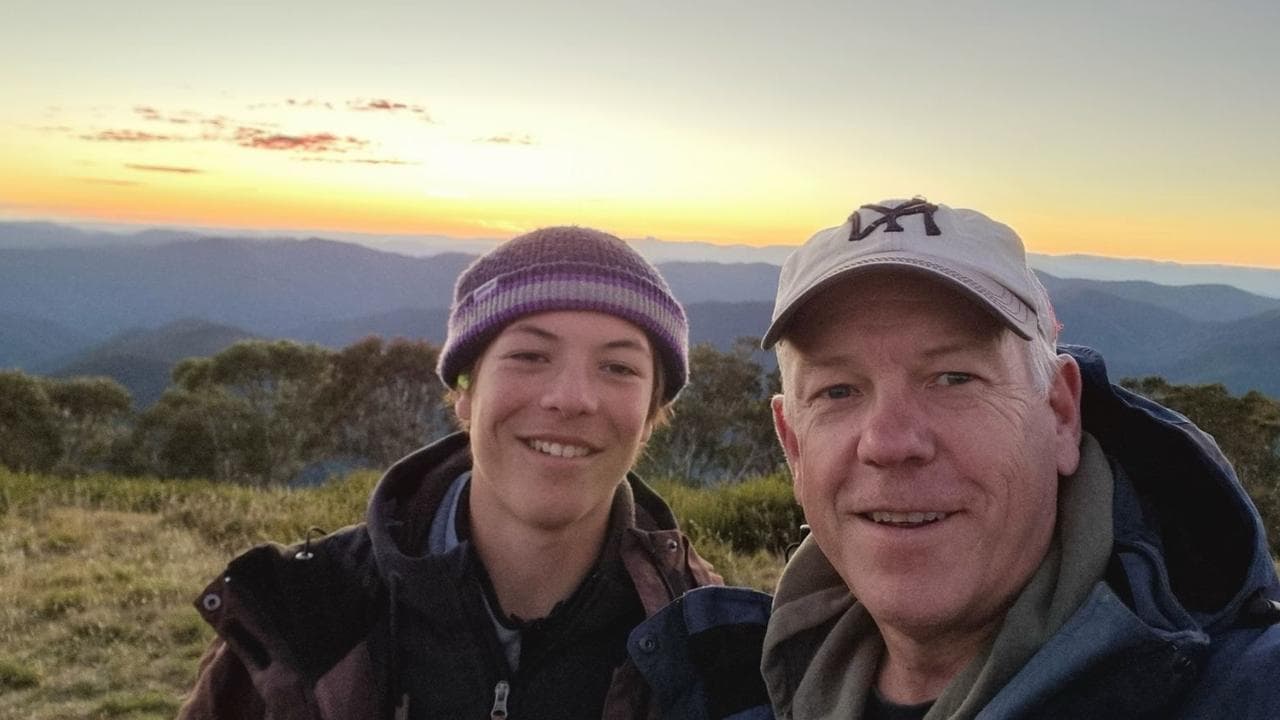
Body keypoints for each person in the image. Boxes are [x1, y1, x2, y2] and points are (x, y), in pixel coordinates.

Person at [177, 226, 772, 720]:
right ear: (464, 391)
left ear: (650, 417)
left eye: (618, 367)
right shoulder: (302, 621)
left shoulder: (709, 642)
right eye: (529, 355)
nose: (571, 398)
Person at [759, 198, 1280, 719]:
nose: (890, 443)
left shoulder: (1245, 689)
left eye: (954, 378)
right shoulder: (727, 680)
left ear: (1059, 413)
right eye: (837, 391)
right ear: (794, 446)